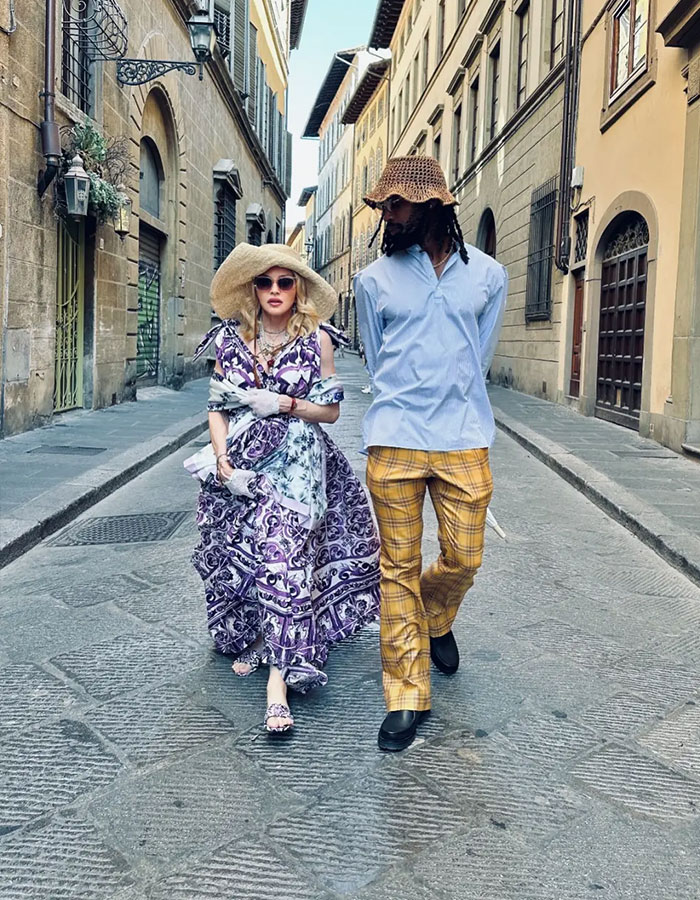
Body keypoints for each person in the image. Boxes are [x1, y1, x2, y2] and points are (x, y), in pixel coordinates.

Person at [185, 243, 380, 735]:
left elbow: (332, 412)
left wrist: (285, 403)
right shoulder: (231, 341)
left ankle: (279, 681)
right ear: (253, 289)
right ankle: (263, 639)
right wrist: (224, 460)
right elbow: (217, 407)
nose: (275, 291)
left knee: (285, 562)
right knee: (245, 555)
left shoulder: (318, 341)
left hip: (299, 471)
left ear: (299, 290)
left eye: (285, 282)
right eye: (265, 283)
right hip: (244, 466)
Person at [354, 156, 508, 751]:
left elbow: (481, 353)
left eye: (395, 204)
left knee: (465, 557)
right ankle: (405, 694)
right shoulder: (374, 280)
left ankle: (436, 617)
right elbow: (375, 353)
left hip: (464, 435)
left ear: (430, 206)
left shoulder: (488, 276)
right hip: (393, 435)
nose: (386, 215)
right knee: (395, 567)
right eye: (385, 205)